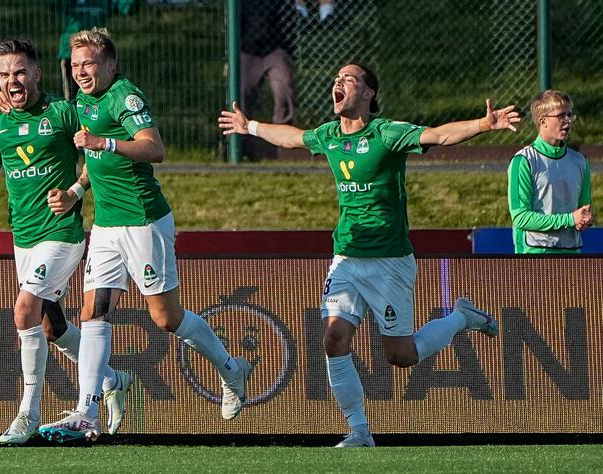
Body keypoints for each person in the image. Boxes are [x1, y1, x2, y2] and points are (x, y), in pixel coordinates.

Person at [219, 63, 521, 447]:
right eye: (337, 79)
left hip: (389, 260)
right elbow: (293, 137)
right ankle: (359, 431)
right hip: (346, 256)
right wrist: (252, 127)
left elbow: (440, 135)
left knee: (401, 355)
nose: (338, 83)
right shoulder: (329, 135)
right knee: (333, 340)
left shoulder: (387, 133)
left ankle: (461, 316)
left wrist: (483, 124)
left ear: (369, 94)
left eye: (350, 79)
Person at [36, 27, 252, 442]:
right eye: (76, 64)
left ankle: (231, 368)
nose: (82, 71)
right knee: (92, 313)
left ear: (110, 64)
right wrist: (77, 191)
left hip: (143, 222)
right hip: (106, 226)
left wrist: (105, 141)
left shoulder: (124, 97)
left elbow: (154, 148)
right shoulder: (82, 99)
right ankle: (87, 412)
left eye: (90, 63)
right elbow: (95, 166)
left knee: (166, 318)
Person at [0, 37, 130, 446]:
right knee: (51, 326)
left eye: (20, 72)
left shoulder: (61, 112)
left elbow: (96, 157)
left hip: (61, 234)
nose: (13, 81)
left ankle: (28, 413)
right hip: (22, 236)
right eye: (5, 75)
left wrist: (75, 192)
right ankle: (111, 378)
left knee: (23, 312)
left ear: (37, 73)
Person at [507, 89, 593, 254]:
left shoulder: (580, 161)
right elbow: (520, 217)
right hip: (535, 254)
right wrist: (569, 219)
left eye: (570, 115)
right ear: (543, 120)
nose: (568, 120)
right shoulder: (524, 161)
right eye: (561, 116)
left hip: (572, 253)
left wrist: (584, 220)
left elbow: (583, 210)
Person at [239, 0, 302, 160]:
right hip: (248, 49)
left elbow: (293, 19)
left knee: (284, 90)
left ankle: (284, 144)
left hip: (276, 49)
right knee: (241, 94)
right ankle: (240, 146)